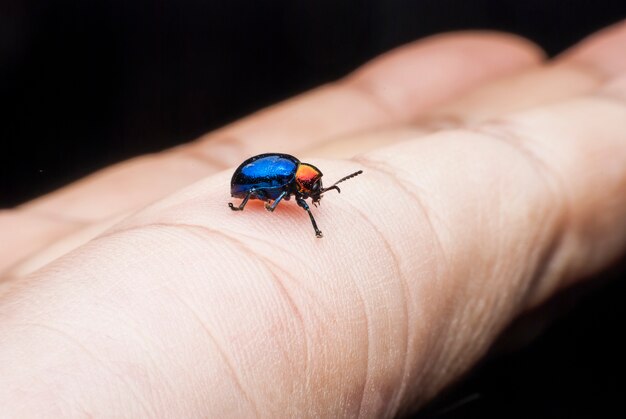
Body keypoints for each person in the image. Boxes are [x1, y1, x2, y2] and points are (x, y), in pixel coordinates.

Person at [0, 19, 625, 417]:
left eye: (310, 194)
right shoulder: (287, 181)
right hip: (248, 175)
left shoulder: (303, 175)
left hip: (254, 171)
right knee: (264, 196)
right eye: (310, 194)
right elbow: (259, 181)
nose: (312, 197)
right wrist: (257, 202)